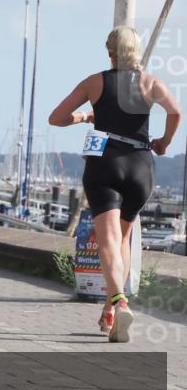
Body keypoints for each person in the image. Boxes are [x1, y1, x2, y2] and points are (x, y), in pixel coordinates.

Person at [48, 26, 180, 343]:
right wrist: (163, 142)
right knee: (122, 240)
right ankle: (111, 310)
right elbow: (175, 111)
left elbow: (56, 117)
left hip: (105, 164)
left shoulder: (96, 82)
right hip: (141, 168)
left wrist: (85, 117)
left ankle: (120, 301)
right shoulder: (151, 82)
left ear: (111, 52)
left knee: (107, 240)